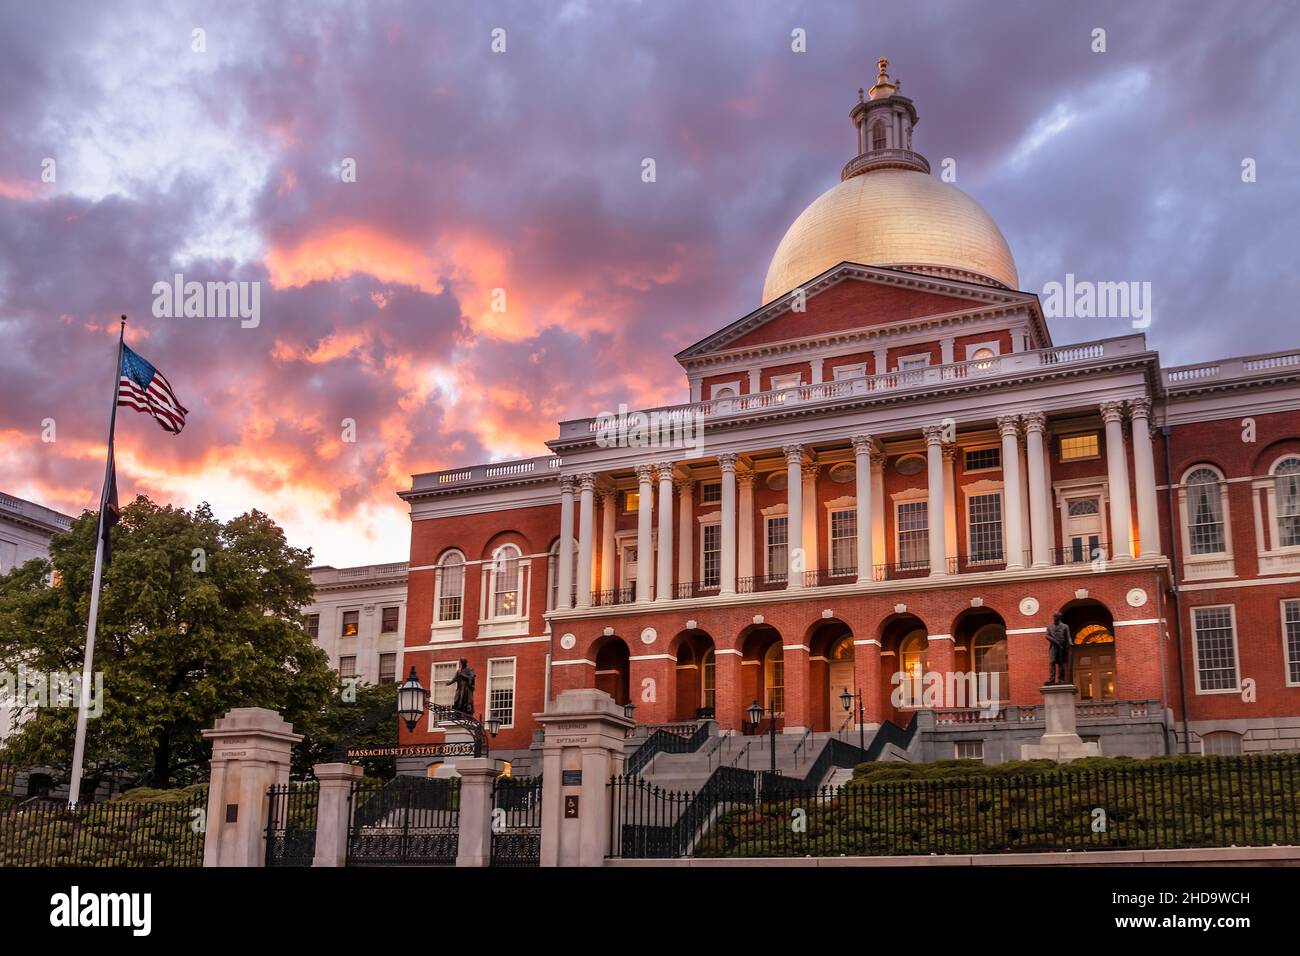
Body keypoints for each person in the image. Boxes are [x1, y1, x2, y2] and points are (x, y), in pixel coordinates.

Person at [1045, 613, 1072, 685]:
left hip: (1062, 647)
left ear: (1059, 617)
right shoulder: (1050, 627)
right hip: (1053, 647)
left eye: (1055, 616)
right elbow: (1047, 636)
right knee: (1052, 662)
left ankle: (1061, 679)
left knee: (1061, 663)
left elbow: (1068, 636)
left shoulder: (1065, 626)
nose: (1054, 618)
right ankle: (1052, 679)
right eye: (1054, 616)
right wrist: (1055, 641)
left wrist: (1070, 643)